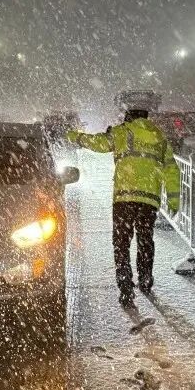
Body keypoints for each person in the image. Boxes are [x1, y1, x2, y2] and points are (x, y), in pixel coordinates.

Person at [67, 105, 180, 306]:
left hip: (124, 198)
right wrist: (173, 199)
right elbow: (172, 169)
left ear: (128, 117)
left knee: (121, 244)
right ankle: (145, 280)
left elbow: (98, 143)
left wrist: (75, 136)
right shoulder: (159, 137)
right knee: (145, 240)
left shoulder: (122, 132)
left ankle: (126, 288)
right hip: (149, 199)